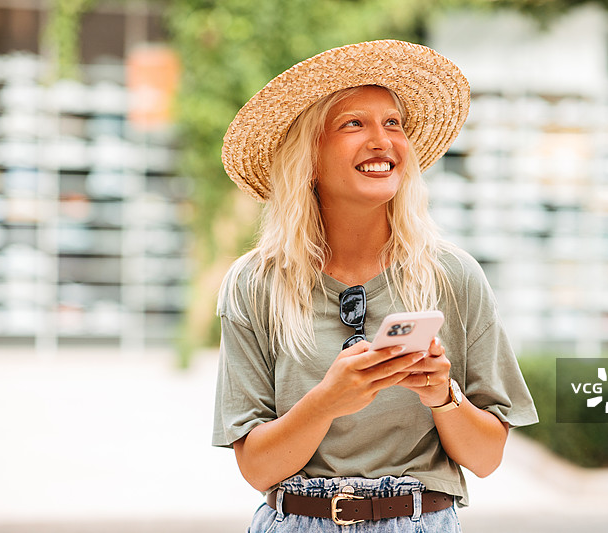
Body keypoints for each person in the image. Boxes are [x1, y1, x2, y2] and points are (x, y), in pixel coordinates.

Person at [213, 39, 537, 532]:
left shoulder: (454, 276)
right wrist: (327, 400)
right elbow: (257, 469)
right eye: (353, 123)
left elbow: (487, 457)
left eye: (393, 123)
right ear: (309, 155)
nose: (382, 140)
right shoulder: (254, 284)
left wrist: (442, 394)